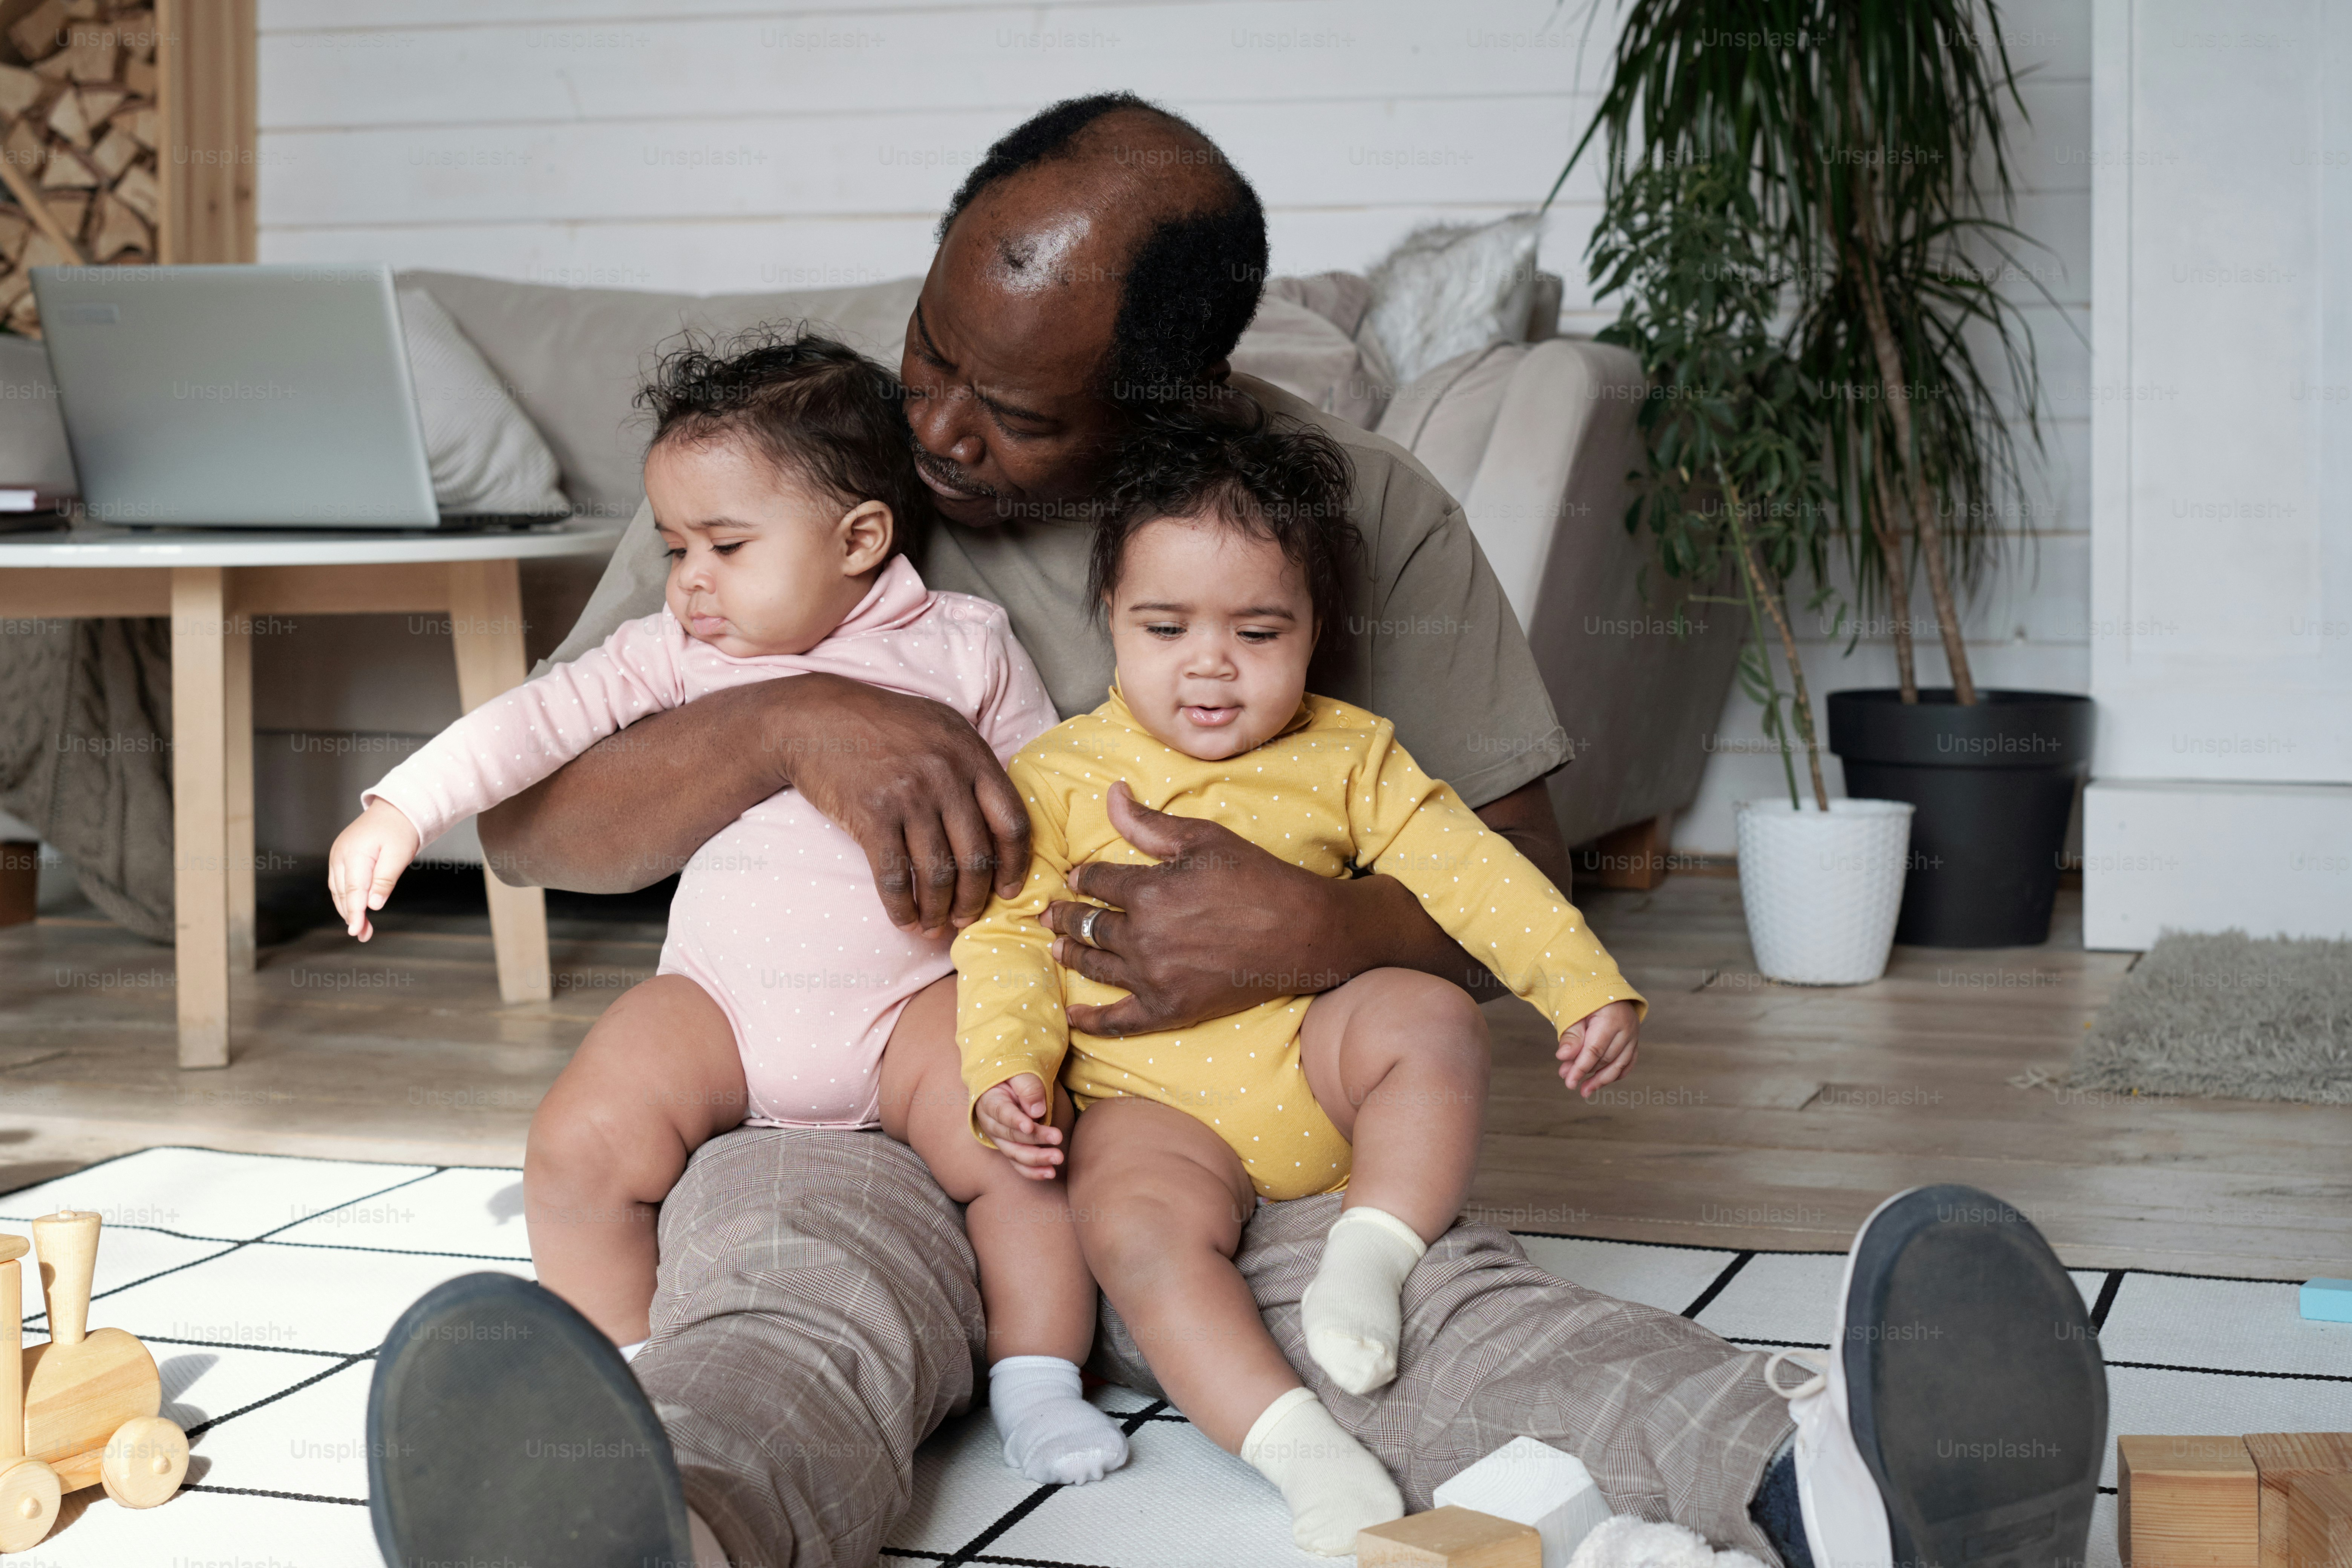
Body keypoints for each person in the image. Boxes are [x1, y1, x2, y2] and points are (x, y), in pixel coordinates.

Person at [363, 94, 2107, 1568]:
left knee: (1438, 1313)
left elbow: (1528, 870)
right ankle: (674, 1518)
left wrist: (1316, 934)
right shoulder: (806, 469)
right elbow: (535, 825)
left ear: (1177, 395)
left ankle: (1838, 1485)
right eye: (935, 350)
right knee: (795, 1287)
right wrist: (792, 718)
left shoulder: (1339, 511)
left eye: (1022, 412)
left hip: (1220, 1121)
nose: (944, 427)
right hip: (890, 1086)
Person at [329, 331, 1130, 1487]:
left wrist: (1072, 972)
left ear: (860, 539)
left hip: (916, 1002)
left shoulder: (964, 646)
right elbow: (533, 722)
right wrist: (402, 809)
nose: (688, 580)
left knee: (1020, 1147)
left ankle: (1039, 1379)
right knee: (574, 1145)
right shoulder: (677, 653)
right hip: (721, 1007)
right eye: (673, 548)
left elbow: (1045, 815)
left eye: (726, 546)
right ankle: (628, 1369)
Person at [955, 410, 1646, 1552]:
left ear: (1316, 631)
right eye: (1166, 626)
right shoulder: (1064, 772)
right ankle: (1298, 1448)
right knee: (1125, 1226)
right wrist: (1008, 1075)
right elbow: (1007, 942)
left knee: (1426, 1013)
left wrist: (1582, 988)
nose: (1211, 663)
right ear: (1112, 624)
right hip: (1153, 1108)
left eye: (1259, 631)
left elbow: (1479, 879)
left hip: (1316, 1069)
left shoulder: (1351, 753)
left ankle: (1370, 1252)